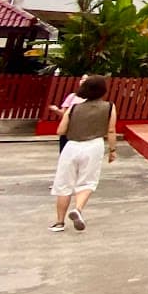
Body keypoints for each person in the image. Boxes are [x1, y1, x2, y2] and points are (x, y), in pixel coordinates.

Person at [52, 75, 116, 231]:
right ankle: (78, 209)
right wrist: (112, 150)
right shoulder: (109, 107)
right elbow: (111, 130)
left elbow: (60, 130)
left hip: (71, 146)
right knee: (87, 182)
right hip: (94, 146)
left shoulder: (73, 108)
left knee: (64, 184)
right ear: (103, 90)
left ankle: (59, 223)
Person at [48, 77, 85, 153]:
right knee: (64, 153)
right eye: (82, 79)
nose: (83, 81)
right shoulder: (72, 96)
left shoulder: (93, 99)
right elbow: (64, 114)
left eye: (86, 79)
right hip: (68, 129)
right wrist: (56, 110)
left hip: (84, 131)